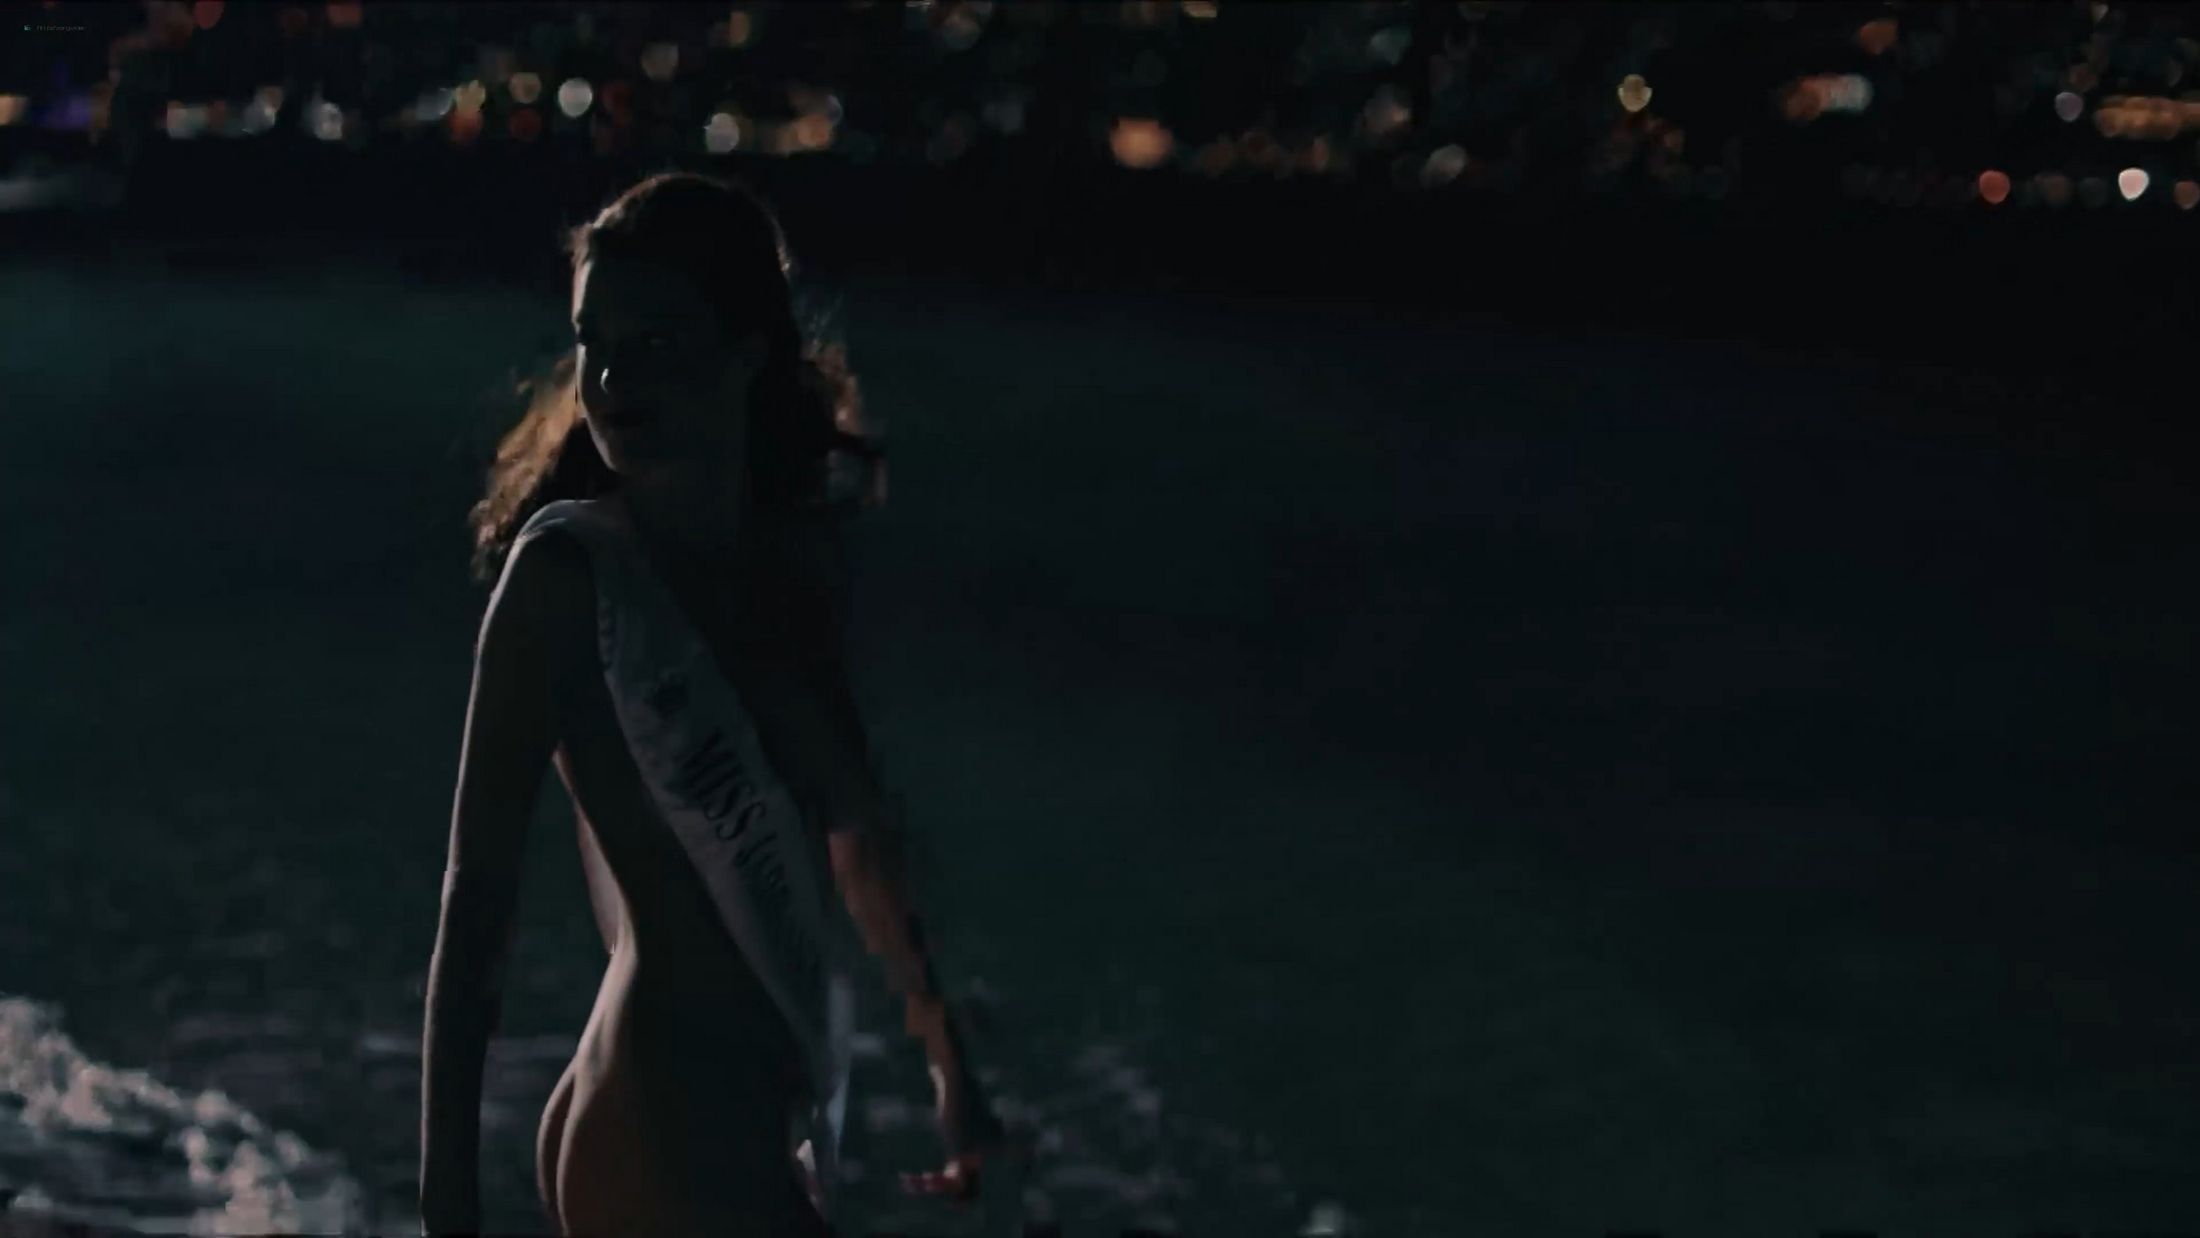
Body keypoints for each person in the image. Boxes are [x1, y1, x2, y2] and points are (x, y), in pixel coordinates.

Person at [419, 171, 1006, 1235]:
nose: (612, 378)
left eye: (654, 343)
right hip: (656, 1123)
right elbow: (476, 899)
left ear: (747, 351)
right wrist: (447, 1202)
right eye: (594, 342)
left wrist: (948, 1068)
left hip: (734, 1124)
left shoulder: (785, 569)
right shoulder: (570, 577)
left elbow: (856, 835)